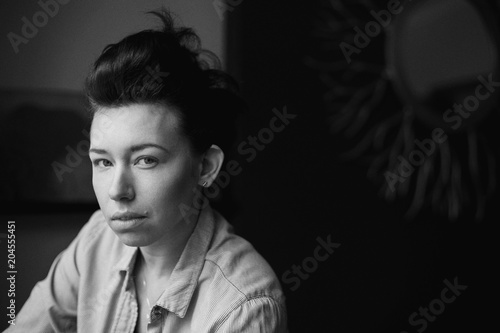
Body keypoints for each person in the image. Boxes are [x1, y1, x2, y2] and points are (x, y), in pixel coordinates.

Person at [6, 9, 287, 333]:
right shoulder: (96, 241)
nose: (117, 190)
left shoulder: (242, 306)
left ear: (206, 167)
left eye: (146, 160)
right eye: (104, 162)